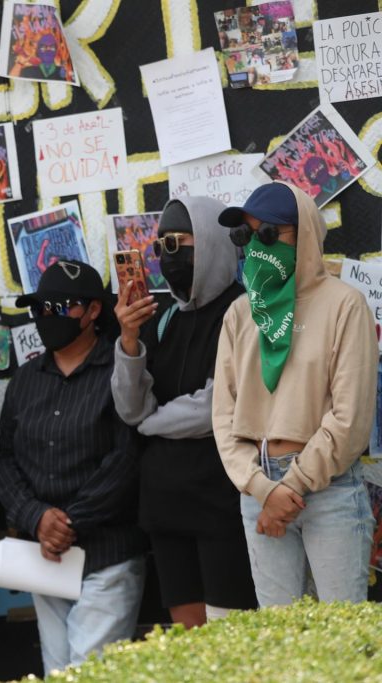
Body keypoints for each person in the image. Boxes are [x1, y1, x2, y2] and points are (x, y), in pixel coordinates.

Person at [214, 182, 377, 606]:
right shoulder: (239, 313)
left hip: (330, 489)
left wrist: (294, 484)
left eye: (268, 234)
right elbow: (224, 415)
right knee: (279, 645)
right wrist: (262, 488)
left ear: (302, 234)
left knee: (343, 646)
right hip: (258, 487)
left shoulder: (345, 305)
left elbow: (350, 419)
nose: (255, 246)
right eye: (245, 236)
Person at [0, 260, 146, 676]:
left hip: (107, 554)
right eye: (40, 309)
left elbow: (128, 457)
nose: (48, 318)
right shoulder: (24, 380)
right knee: (56, 671)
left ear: (94, 311)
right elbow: (4, 459)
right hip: (46, 557)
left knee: (89, 674)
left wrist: (69, 522)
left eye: (60, 308)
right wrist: (37, 518)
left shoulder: (122, 369)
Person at [110, 197, 257, 628]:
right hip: (165, 503)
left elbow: (219, 405)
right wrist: (129, 342)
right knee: (188, 634)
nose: (167, 256)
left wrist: (149, 425)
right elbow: (129, 406)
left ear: (210, 242)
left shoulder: (243, 310)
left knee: (230, 633)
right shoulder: (164, 319)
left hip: (222, 499)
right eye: (159, 247)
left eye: (177, 242)